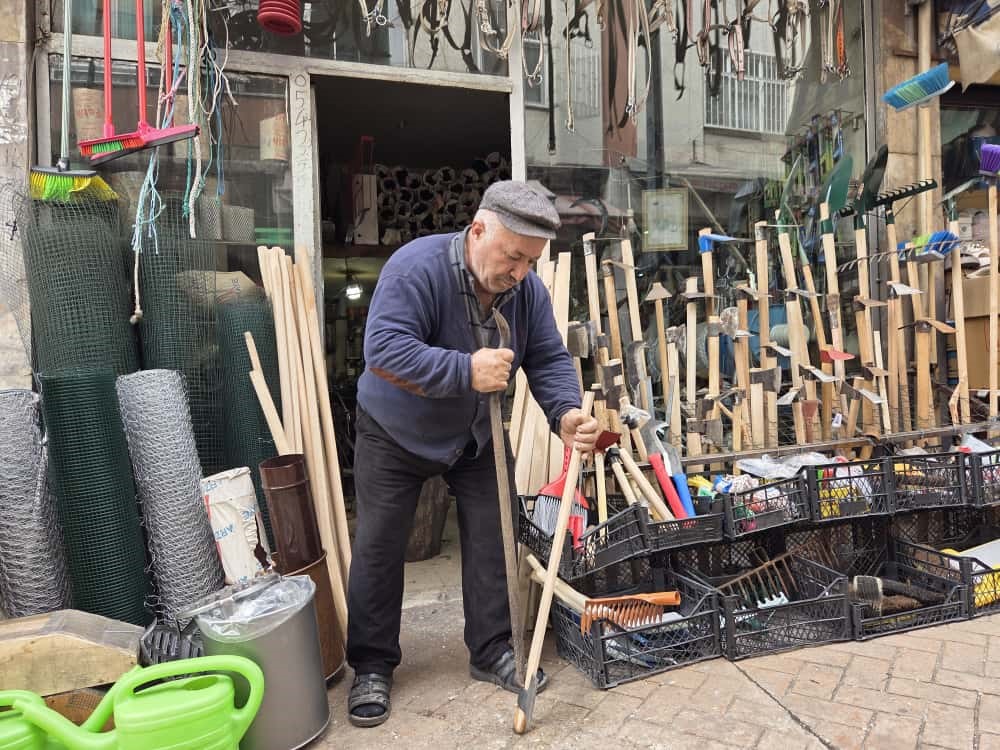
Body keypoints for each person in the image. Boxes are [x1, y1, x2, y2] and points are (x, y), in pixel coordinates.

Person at [346, 180, 600, 728]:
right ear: (478, 230)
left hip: (474, 435)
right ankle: (371, 665)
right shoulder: (416, 268)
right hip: (395, 430)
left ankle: (491, 651)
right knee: (379, 546)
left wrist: (565, 414)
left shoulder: (525, 292)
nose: (521, 272)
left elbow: (549, 357)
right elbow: (383, 350)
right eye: (513, 257)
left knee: (492, 538)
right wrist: (465, 370)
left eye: (531, 261)